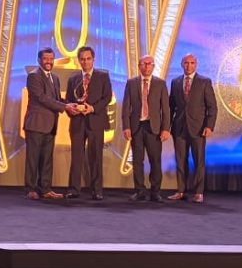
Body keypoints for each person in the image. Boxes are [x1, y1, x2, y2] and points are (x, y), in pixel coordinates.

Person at [23, 47, 79, 200]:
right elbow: (42, 98)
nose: (49, 61)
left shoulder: (55, 77)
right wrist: (65, 107)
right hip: (36, 124)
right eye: (45, 59)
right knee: (33, 159)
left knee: (47, 159)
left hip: (50, 125)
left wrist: (71, 104)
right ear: (39, 60)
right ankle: (30, 189)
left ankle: (45, 189)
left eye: (51, 59)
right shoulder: (34, 76)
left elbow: (56, 99)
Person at [168, 53, 218, 204]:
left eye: (192, 63)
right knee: (180, 160)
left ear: (196, 65)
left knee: (198, 161)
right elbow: (171, 107)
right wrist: (166, 127)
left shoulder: (204, 82)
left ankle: (198, 192)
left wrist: (209, 126)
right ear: (181, 64)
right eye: (186, 62)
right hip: (179, 128)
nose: (189, 65)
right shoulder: (175, 82)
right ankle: (181, 191)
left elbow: (212, 107)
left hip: (198, 128)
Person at [65, 46, 112, 200]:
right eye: (82, 59)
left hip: (95, 121)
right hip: (77, 122)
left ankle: (97, 190)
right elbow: (68, 100)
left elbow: (107, 98)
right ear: (79, 61)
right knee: (76, 157)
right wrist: (71, 109)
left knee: (96, 157)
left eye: (88, 59)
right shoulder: (73, 79)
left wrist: (93, 108)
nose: (85, 62)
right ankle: (73, 189)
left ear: (93, 59)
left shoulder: (103, 76)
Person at [122, 55, 171, 202]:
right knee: (137, 161)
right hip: (136, 127)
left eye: (150, 64)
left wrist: (166, 128)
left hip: (154, 128)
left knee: (155, 161)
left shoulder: (160, 84)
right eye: (144, 64)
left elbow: (165, 109)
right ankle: (139, 191)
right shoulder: (131, 83)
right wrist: (126, 127)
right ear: (139, 66)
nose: (147, 66)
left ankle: (155, 192)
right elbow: (126, 107)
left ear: (153, 66)